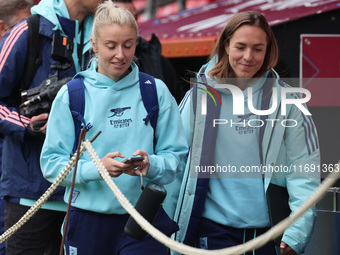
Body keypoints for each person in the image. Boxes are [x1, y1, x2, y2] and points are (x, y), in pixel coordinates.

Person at [40, 2, 187, 255]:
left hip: (143, 219)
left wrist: (151, 164)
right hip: (87, 221)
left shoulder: (155, 91)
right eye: (111, 46)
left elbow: (177, 160)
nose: (120, 54)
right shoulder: (72, 95)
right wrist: (96, 169)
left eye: (128, 45)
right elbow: (51, 165)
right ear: (94, 45)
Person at [172, 11, 320, 255]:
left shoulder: (289, 102)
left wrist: (296, 234)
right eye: (240, 47)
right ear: (226, 46)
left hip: (267, 237)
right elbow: (176, 166)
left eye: (258, 49)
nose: (248, 57)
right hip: (211, 233)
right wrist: (169, 233)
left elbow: (303, 171)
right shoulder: (198, 98)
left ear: (268, 51)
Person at [0, 0, 105, 254]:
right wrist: (30, 126)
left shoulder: (104, 35)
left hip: (87, 197)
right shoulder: (27, 32)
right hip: (32, 194)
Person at [114, 0, 182, 104]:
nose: (134, 26)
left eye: (135, 19)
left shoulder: (159, 62)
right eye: (125, 20)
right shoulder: (88, 65)